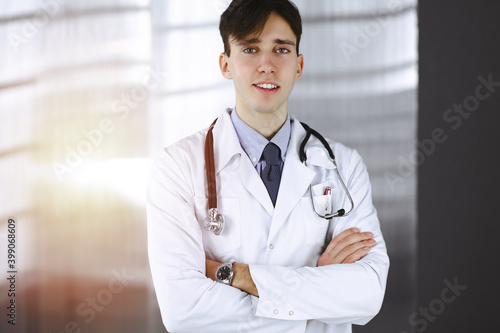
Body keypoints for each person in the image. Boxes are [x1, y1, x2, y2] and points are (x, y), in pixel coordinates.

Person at [147, 0, 389, 332]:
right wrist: (318, 290)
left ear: (299, 64)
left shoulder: (343, 166)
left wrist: (237, 275)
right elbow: (182, 310)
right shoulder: (177, 167)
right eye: (249, 49)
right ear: (225, 64)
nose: (267, 65)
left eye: (281, 50)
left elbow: (367, 294)